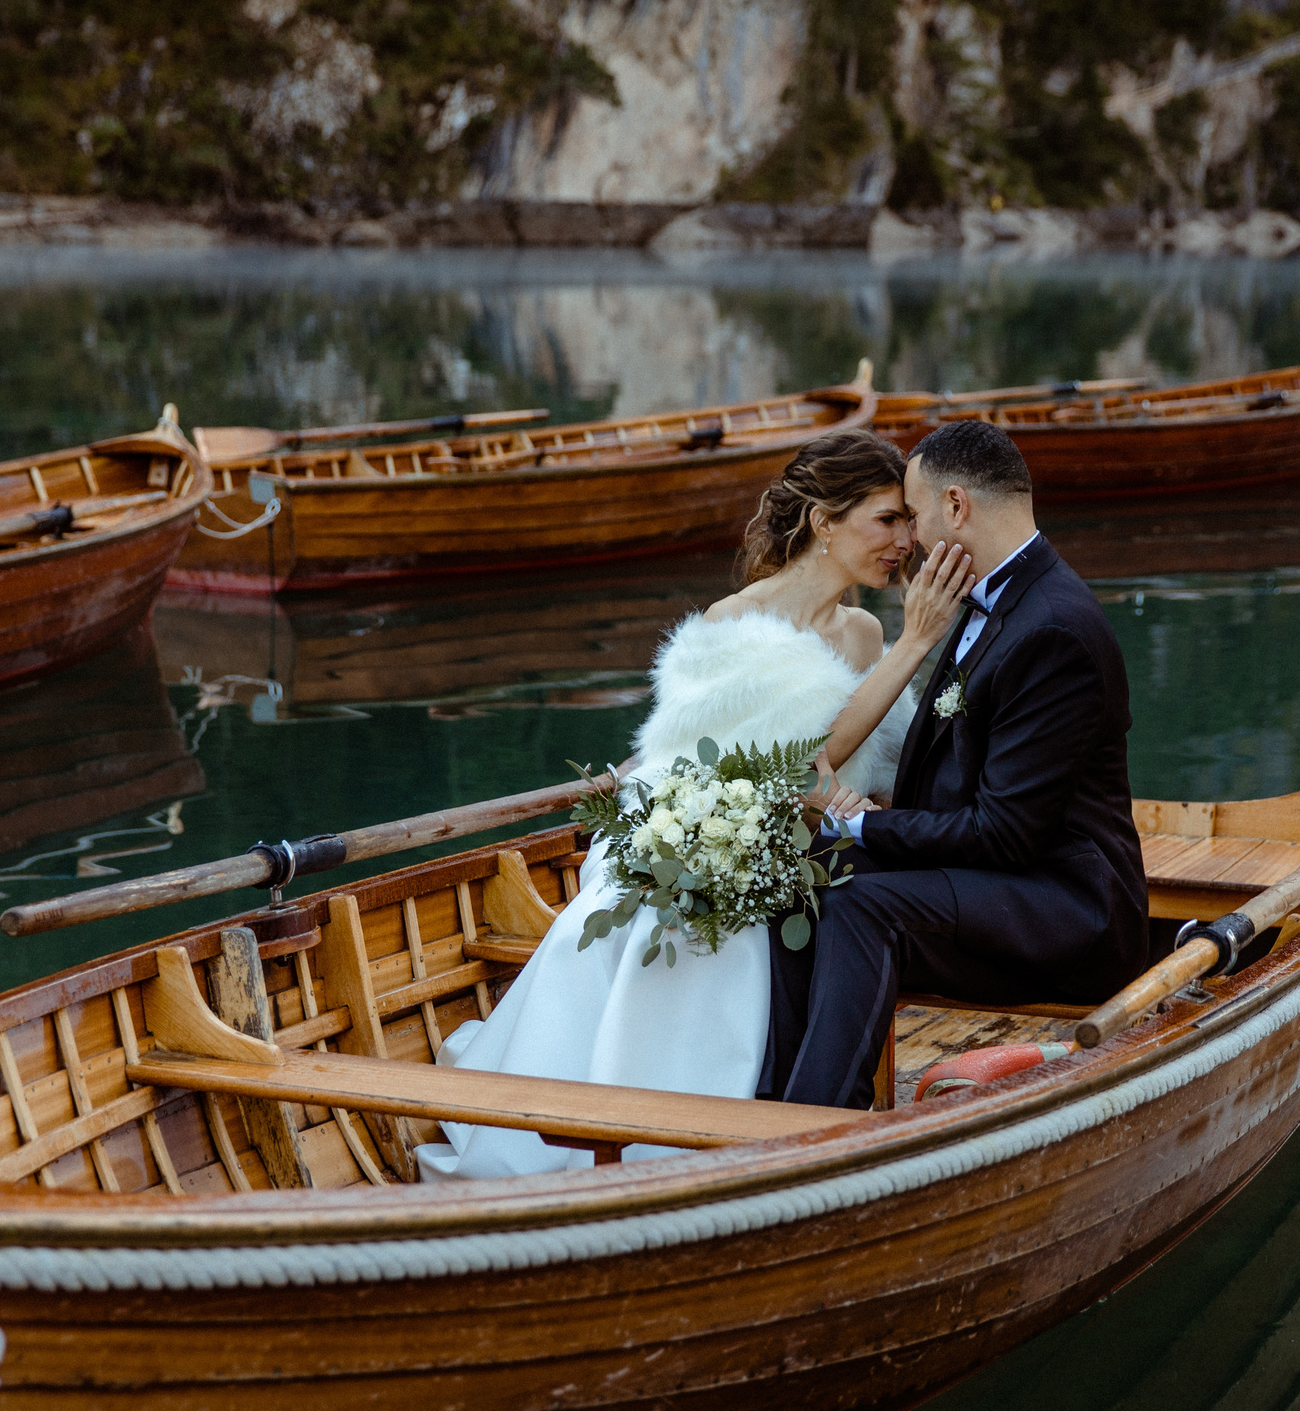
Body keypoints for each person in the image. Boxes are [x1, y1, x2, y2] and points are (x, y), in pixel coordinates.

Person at [413, 428, 976, 1180]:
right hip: (703, 833)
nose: (906, 541)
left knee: (835, 901)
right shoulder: (734, 621)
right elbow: (784, 760)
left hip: (802, 842)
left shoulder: (864, 631)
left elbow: (861, 758)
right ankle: (656, 1128)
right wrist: (918, 642)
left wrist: (859, 799)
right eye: (888, 519)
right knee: (692, 928)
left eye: (909, 520)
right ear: (824, 521)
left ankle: (789, 1108)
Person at [763, 417, 1151, 1110]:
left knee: (864, 904)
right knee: (808, 873)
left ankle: (815, 1125)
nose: (910, 539)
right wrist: (857, 822)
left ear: (956, 506)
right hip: (999, 881)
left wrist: (856, 824)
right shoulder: (982, 600)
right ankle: (771, 1100)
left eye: (913, 516)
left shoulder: (1053, 628)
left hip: (1070, 911)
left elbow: (1003, 834)